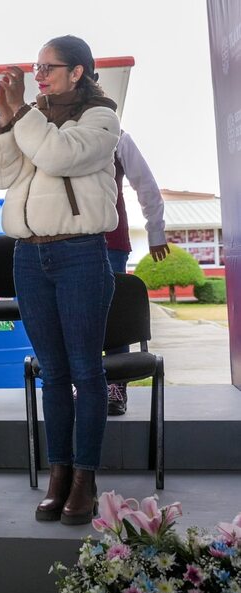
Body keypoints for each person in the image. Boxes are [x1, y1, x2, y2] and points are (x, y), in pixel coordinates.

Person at [0, 35, 119, 525]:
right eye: (36, 67)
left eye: (49, 67)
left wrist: (22, 114)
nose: (39, 75)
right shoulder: (27, 118)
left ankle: (85, 476)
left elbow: (59, 156)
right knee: (53, 373)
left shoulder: (101, 118)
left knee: (86, 371)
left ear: (77, 71)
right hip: (28, 258)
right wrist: (2, 121)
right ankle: (58, 475)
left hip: (80, 255)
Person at [105, 131, 168, 415]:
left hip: (110, 241)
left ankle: (116, 387)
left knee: (113, 316)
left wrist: (155, 230)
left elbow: (144, 183)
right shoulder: (53, 128)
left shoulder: (116, 136)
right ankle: (87, 384)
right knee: (78, 317)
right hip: (65, 241)